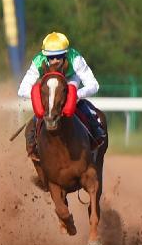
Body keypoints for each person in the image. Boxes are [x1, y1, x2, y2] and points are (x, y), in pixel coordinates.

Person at [17, 31, 105, 161]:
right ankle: (32, 144)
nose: (54, 61)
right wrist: (45, 97)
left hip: (69, 81)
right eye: (51, 58)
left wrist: (75, 95)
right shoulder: (38, 62)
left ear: (65, 54)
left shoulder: (75, 58)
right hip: (49, 85)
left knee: (76, 102)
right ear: (45, 57)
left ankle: (95, 131)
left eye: (58, 56)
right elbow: (22, 90)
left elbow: (94, 85)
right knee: (43, 112)